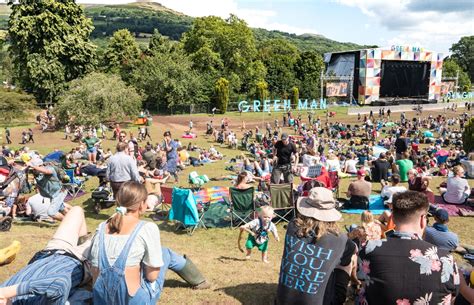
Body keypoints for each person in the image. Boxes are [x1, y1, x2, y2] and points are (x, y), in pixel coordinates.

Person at [89, 182, 210, 305]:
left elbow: (93, 267)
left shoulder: (101, 227)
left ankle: (199, 280)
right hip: (133, 301)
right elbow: (152, 277)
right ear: (142, 204)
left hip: (101, 300)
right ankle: (199, 280)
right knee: (165, 252)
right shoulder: (146, 228)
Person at [358, 191, 459, 304]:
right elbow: (452, 297)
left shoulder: (368, 250)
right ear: (422, 219)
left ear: (393, 218)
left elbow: (364, 285)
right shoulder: (446, 259)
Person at [276, 187, 356, 305]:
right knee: (350, 260)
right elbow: (350, 254)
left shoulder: (292, 226)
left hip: (282, 301)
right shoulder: (341, 239)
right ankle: (353, 286)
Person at [0, 206, 92, 304]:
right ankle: (86, 246)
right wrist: (5, 293)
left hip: (50, 252)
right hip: (78, 261)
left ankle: (82, 243)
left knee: (76, 210)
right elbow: (59, 285)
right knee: (108, 228)